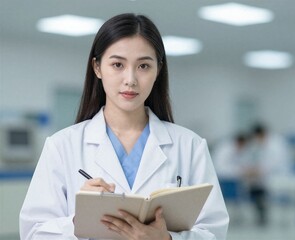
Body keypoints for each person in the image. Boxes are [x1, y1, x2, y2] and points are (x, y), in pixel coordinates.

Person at [20, 13, 229, 240]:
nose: (130, 79)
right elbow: (33, 233)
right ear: (97, 68)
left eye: (143, 66)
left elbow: (214, 232)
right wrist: (78, 221)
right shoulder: (61, 146)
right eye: (118, 64)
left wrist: (167, 239)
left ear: (158, 70)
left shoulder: (190, 146)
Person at [242, 123, 293, 226]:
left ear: (260, 134)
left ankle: (263, 216)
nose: (256, 141)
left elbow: (272, 164)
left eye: (256, 138)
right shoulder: (266, 144)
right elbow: (263, 162)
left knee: (258, 188)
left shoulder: (275, 144)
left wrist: (256, 171)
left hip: (280, 178)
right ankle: (261, 215)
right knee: (255, 187)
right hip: (270, 177)